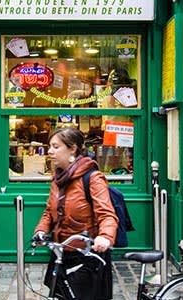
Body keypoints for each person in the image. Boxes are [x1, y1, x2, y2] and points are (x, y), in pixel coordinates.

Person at [33, 127, 118, 300]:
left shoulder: (92, 178)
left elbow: (107, 214)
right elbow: (50, 211)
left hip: (85, 255)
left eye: (56, 147)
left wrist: (105, 237)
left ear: (72, 148)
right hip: (61, 253)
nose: (50, 151)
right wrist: (40, 231)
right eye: (50, 146)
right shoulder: (58, 178)